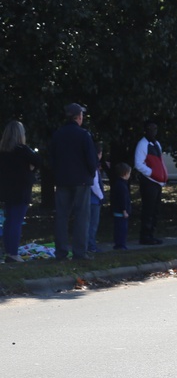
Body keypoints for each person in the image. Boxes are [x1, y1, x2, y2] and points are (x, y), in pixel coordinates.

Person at [49, 103, 99, 261]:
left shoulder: (58, 134)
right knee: (81, 216)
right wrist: (91, 174)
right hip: (81, 181)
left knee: (61, 217)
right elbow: (91, 160)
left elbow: (52, 158)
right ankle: (79, 252)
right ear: (79, 117)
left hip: (63, 180)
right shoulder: (84, 135)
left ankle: (61, 252)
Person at [0, 121, 42, 263]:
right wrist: (31, 169)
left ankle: (8, 251)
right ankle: (13, 253)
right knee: (16, 222)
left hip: (6, 190)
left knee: (8, 221)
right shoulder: (23, 150)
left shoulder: (3, 151)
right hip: (21, 189)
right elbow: (39, 161)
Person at [134, 120, 167, 245]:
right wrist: (152, 173)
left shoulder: (156, 144)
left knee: (155, 210)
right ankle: (145, 236)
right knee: (148, 209)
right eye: (151, 128)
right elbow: (138, 164)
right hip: (149, 182)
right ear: (146, 130)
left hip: (157, 182)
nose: (153, 131)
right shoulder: (142, 144)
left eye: (155, 129)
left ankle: (151, 234)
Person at [87, 144, 106, 253]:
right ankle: (91, 245)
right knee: (93, 224)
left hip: (88, 199)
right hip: (94, 200)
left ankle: (88, 244)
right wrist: (102, 197)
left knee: (88, 223)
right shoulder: (94, 167)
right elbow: (95, 185)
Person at [110, 163, 132, 250]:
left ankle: (118, 244)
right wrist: (124, 210)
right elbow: (122, 199)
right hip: (121, 212)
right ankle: (121, 245)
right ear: (125, 173)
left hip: (117, 211)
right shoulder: (122, 185)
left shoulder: (118, 184)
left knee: (118, 228)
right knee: (122, 229)